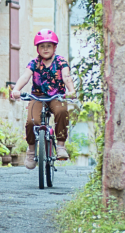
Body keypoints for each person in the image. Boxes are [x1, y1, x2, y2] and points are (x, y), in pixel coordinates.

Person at [10, 29, 76, 168]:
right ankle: (32, 149)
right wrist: (16, 89)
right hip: (37, 96)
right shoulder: (34, 63)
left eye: (48, 46)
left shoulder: (61, 61)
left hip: (57, 96)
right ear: (37, 49)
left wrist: (71, 91)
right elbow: (25, 77)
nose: (45, 49)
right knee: (31, 121)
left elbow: (66, 76)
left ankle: (60, 146)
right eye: (42, 46)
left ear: (54, 47)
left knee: (62, 112)